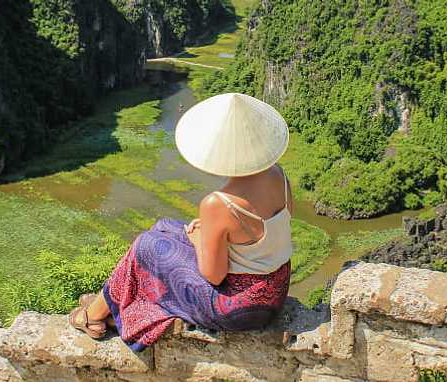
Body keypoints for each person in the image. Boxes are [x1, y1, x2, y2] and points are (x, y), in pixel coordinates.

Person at [69, 93, 293, 351]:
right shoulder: (279, 176)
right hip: (275, 289)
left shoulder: (218, 203)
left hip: (240, 308)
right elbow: (266, 236)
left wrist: (200, 240)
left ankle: (93, 315)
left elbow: (215, 275)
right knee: (164, 226)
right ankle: (112, 302)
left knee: (146, 245)